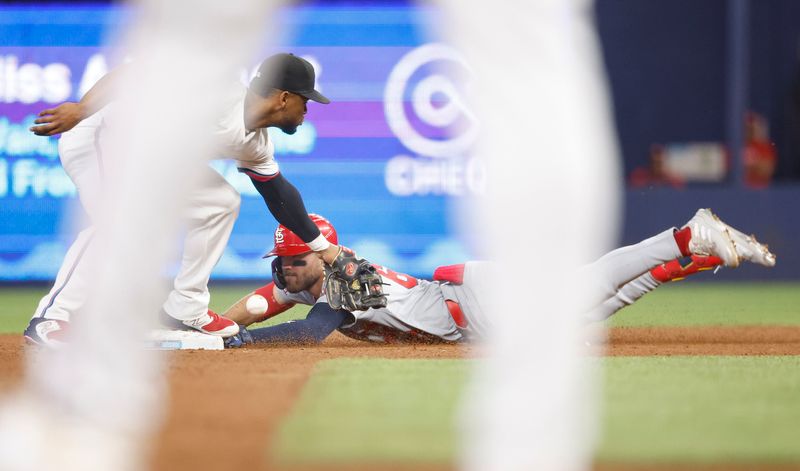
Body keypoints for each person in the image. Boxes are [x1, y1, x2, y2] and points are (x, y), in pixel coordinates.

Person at [24, 53, 359, 344]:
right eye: (306, 100)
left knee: (221, 203)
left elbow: (279, 196)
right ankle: (51, 317)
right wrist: (82, 109)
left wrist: (323, 249)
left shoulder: (255, 143)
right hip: (102, 134)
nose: (308, 110)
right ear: (284, 98)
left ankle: (186, 305)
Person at [222, 209, 776, 346]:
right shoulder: (308, 276)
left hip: (478, 305)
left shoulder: (341, 278)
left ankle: (686, 236)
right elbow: (266, 301)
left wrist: (236, 342)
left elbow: (301, 333)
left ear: (323, 256)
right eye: (286, 260)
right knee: (593, 308)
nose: (289, 268)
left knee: (585, 291)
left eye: (299, 258)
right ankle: (690, 259)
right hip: (473, 315)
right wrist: (212, 325)